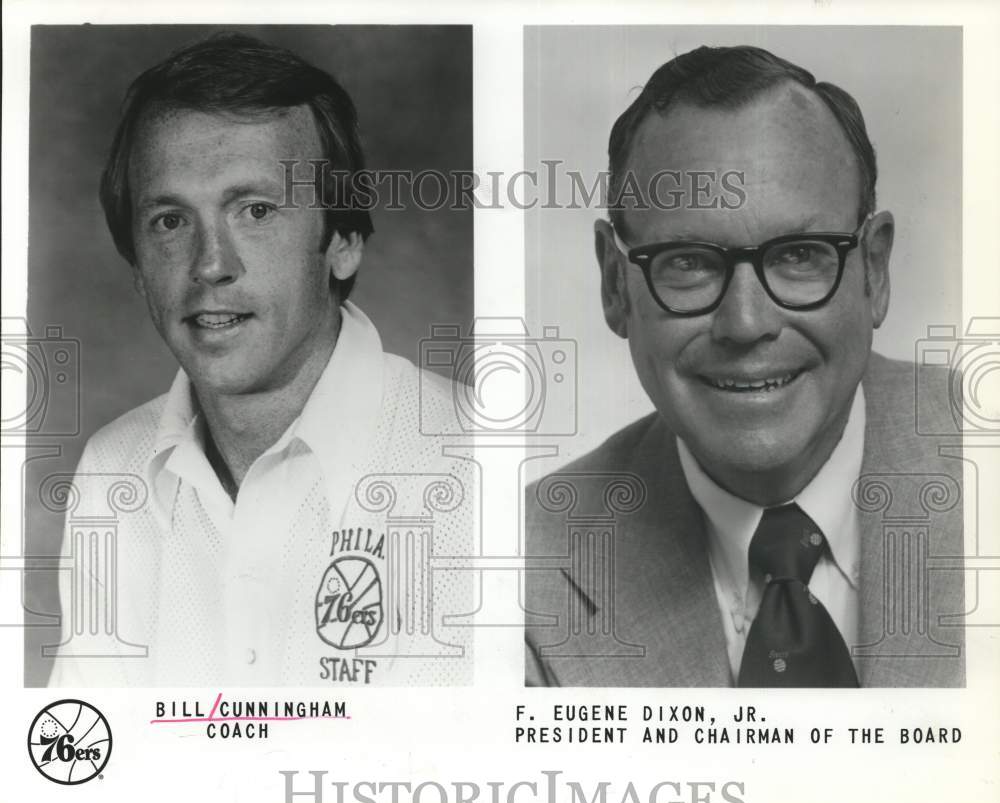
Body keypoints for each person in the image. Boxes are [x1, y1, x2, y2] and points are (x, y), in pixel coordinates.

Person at [525, 45, 964, 688]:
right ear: (616, 285)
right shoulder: (517, 574)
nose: (747, 323)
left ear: (873, 270)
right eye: (689, 262)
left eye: (799, 255)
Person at [48, 33, 472, 686]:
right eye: (169, 221)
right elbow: (87, 768)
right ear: (136, 267)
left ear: (344, 241)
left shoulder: (477, 465)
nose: (212, 265)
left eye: (256, 210)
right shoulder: (112, 471)